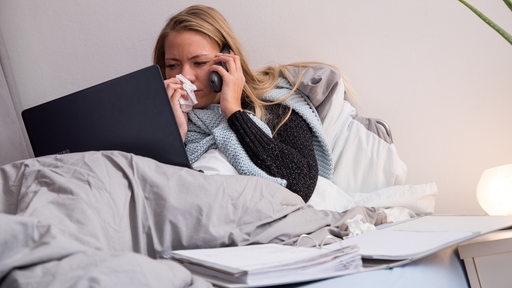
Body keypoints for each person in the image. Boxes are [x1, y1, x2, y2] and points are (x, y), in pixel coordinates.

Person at [153, 5, 333, 202]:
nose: (185, 75)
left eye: (199, 63)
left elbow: (302, 184)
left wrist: (234, 113)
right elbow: (159, 194)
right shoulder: (154, 122)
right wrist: (174, 134)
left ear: (227, 61)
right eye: (172, 65)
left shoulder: (275, 107)